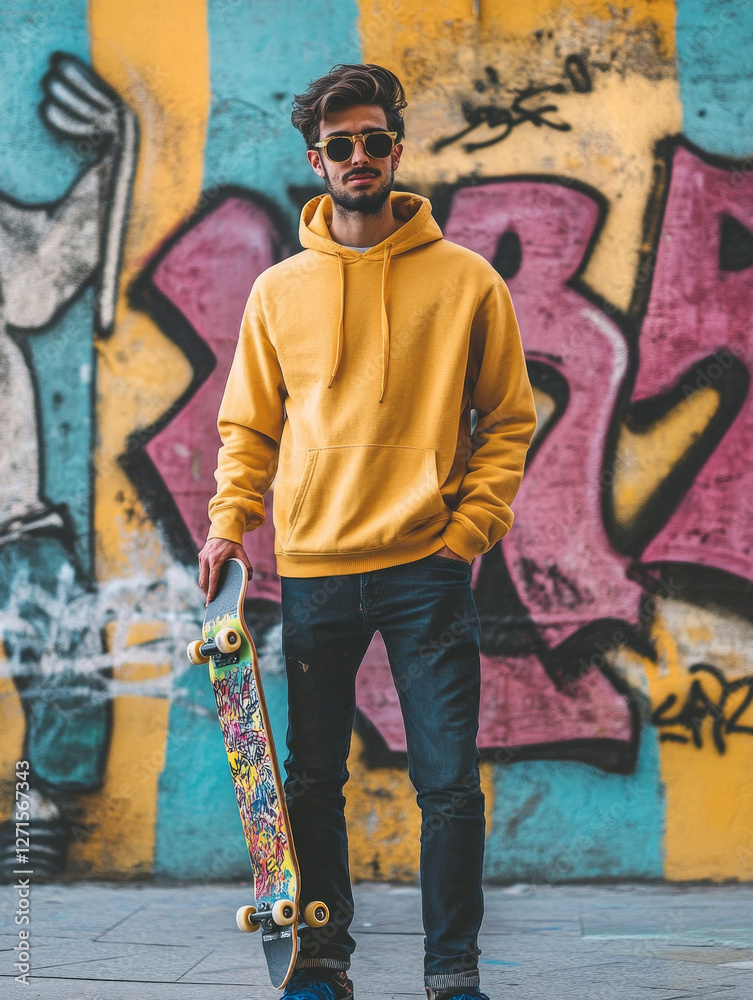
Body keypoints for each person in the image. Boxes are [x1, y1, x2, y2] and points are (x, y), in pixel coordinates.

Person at [198, 63, 537, 1000]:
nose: (359, 156)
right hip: (314, 569)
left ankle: (451, 973)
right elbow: (248, 428)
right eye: (340, 144)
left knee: (448, 784)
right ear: (316, 161)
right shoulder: (278, 292)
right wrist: (228, 525)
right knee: (310, 780)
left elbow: (508, 419)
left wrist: (469, 531)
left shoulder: (466, 282)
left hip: (427, 568)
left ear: (396, 150)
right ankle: (322, 961)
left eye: (374, 140)